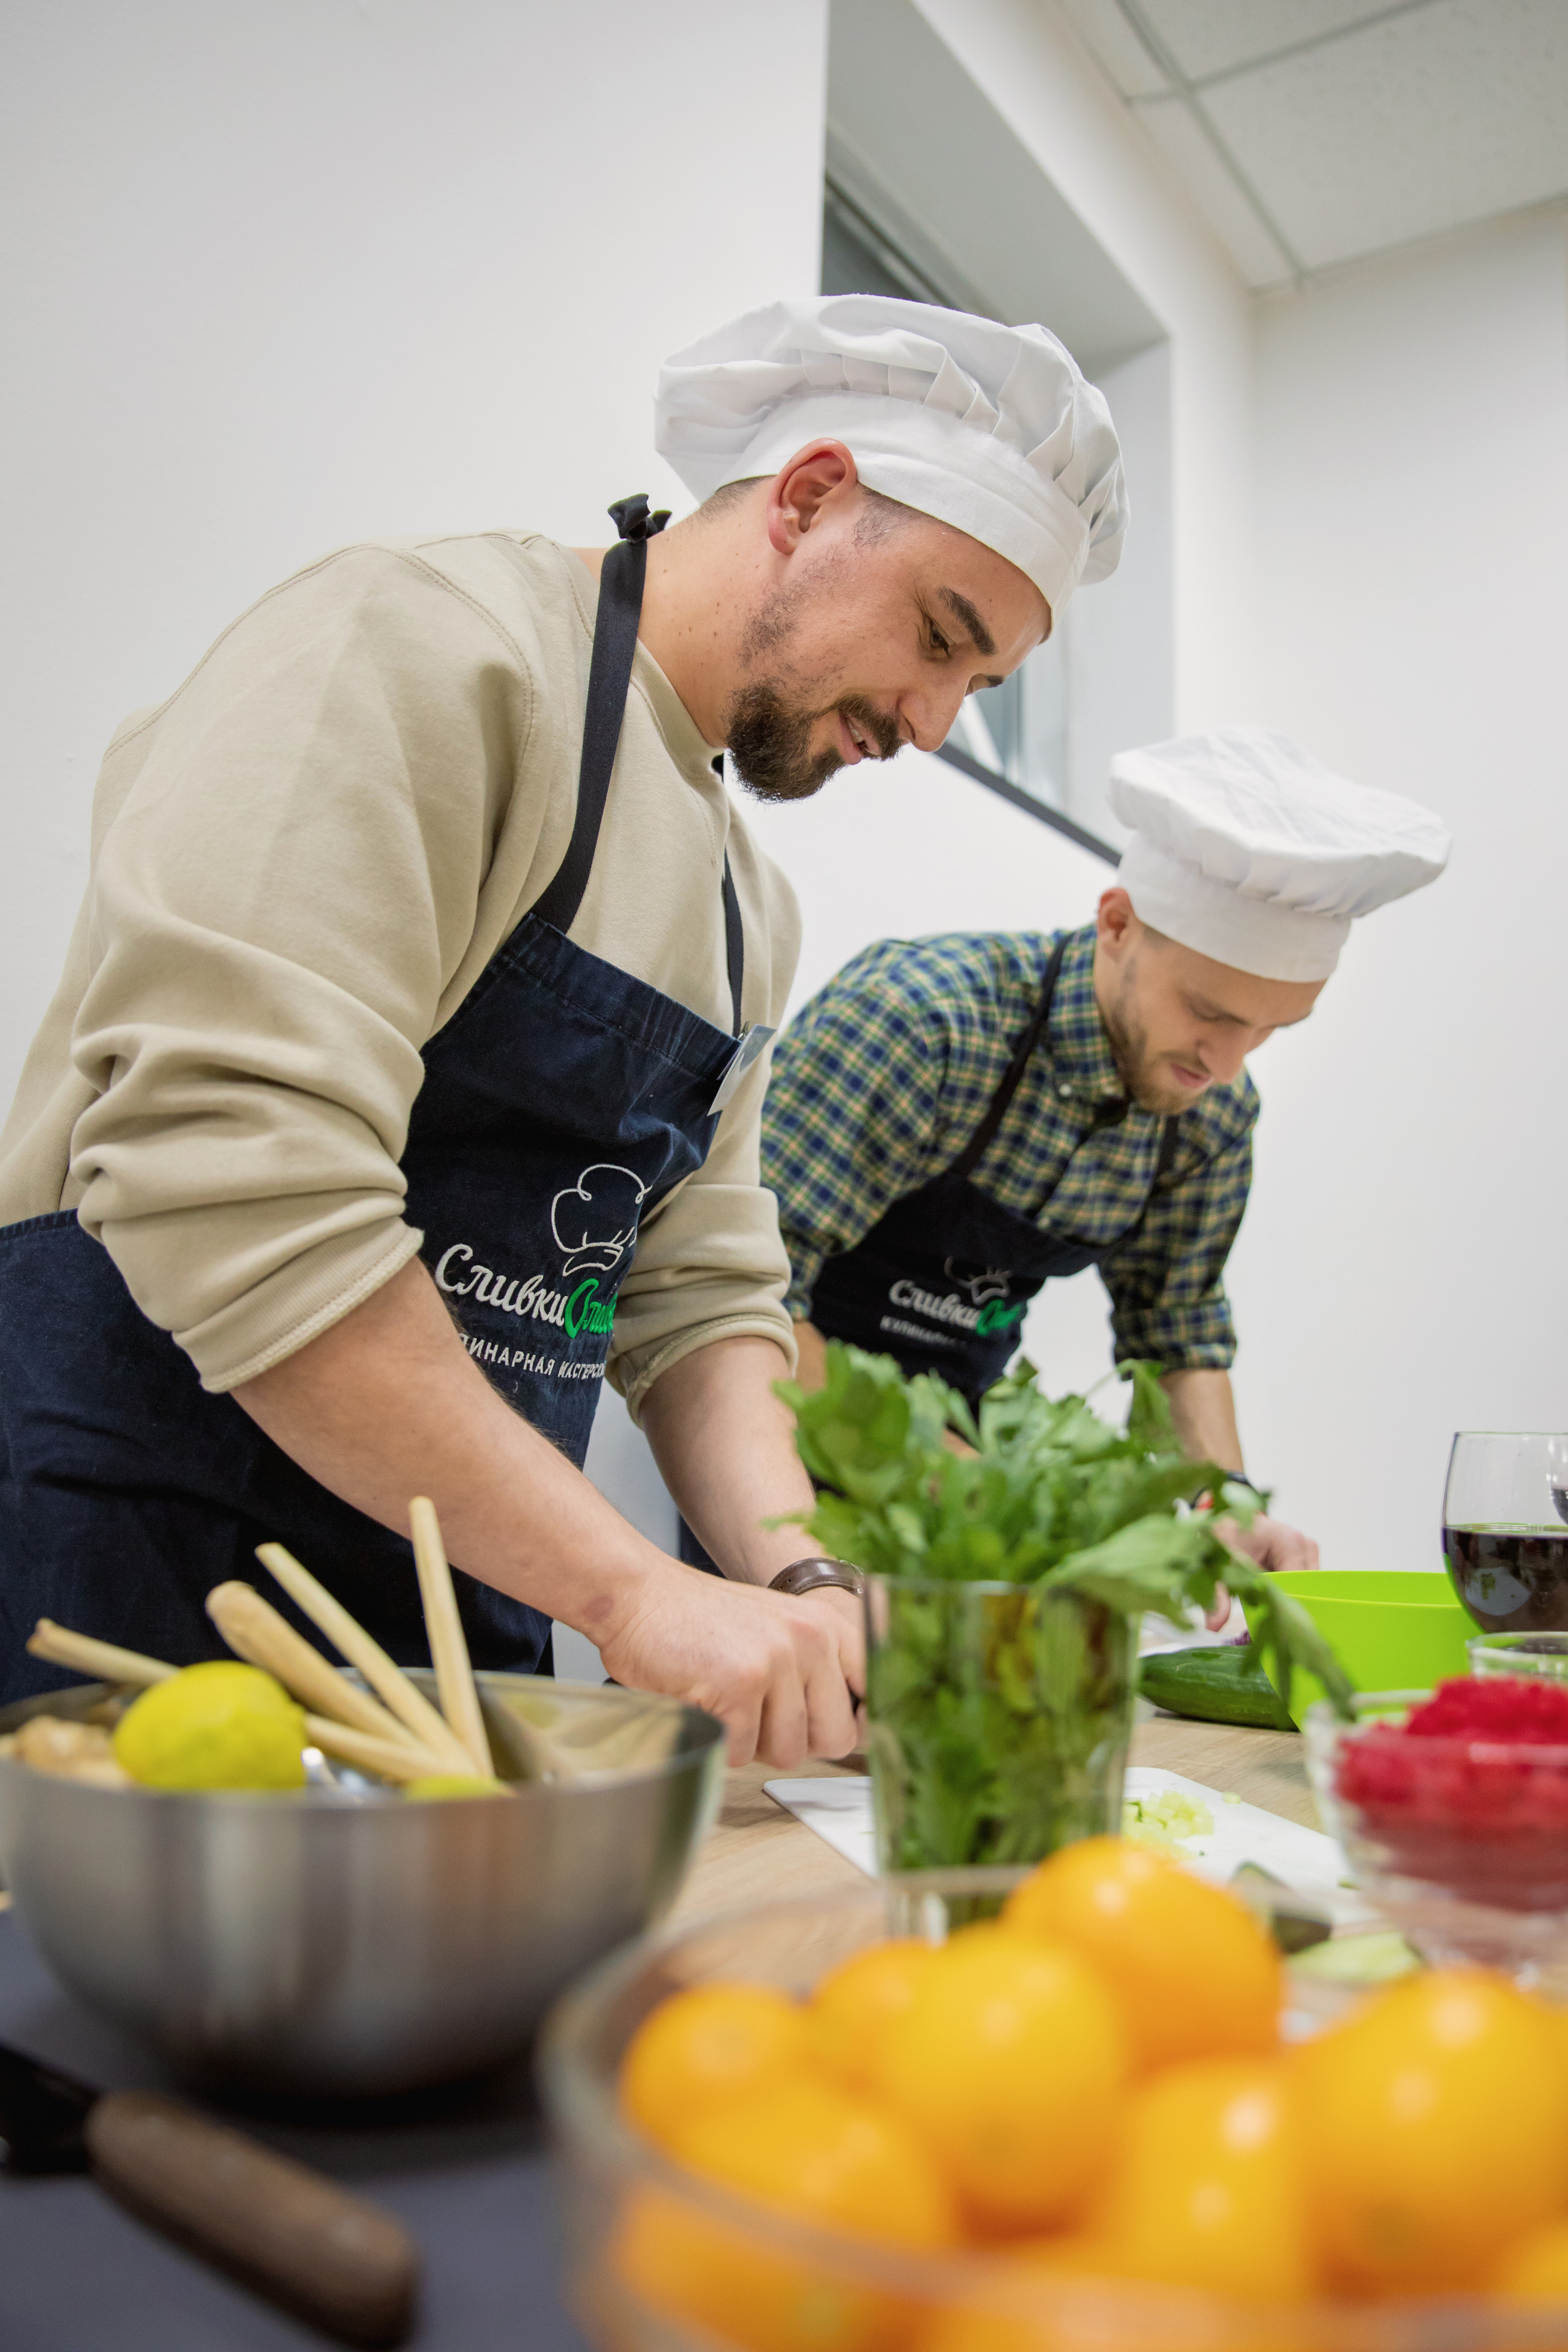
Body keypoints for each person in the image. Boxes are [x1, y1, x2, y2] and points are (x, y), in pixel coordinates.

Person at [0, 295, 1127, 1760]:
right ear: (807, 496)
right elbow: (234, 1174)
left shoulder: (743, 908)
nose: (927, 723)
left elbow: (700, 1302)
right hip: (131, 1553)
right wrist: (628, 1589)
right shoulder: (423, 647)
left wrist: (800, 1581)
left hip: (464, 1602)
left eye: (976, 690)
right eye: (936, 638)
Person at [761, 728, 1451, 1573]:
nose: (1226, 1065)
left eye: (1272, 1030)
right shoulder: (923, 1023)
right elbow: (752, 1294)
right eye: (1211, 1011)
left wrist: (1221, 1505)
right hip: (776, 1445)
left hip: (965, 1469)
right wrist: (943, 1469)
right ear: (1117, 924)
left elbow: (1177, 1335)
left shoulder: (1210, 1117)